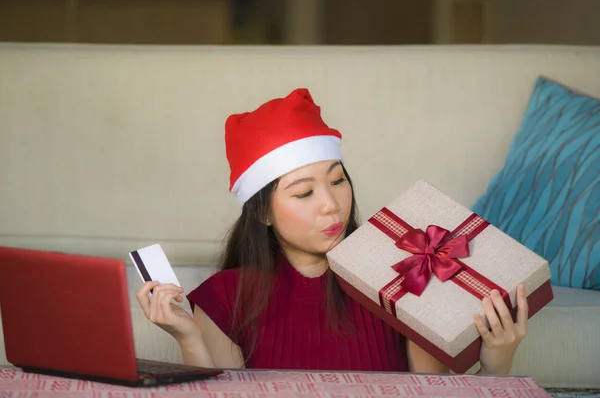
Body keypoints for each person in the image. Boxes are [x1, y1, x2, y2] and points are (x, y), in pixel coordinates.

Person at [136, 88, 529, 375]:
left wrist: (498, 362)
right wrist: (188, 338)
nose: (331, 203)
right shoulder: (225, 298)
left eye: (338, 180)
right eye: (304, 192)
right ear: (263, 215)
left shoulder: (401, 278)